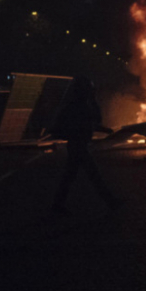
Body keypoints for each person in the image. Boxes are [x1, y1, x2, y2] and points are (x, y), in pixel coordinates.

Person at [49, 76, 120, 214]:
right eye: (90, 89)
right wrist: (93, 101)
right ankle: (111, 202)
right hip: (78, 146)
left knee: (70, 177)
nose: (92, 91)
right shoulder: (78, 106)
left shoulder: (79, 104)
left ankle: (57, 205)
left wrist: (104, 129)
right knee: (93, 176)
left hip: (78, 146)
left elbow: (92, 123)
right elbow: (92, 121)